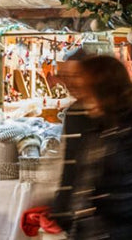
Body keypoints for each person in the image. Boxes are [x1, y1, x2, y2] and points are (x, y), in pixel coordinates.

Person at [74, 55, 132, 240]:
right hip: (96, 231)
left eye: (87, 90)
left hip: (125, 231)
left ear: (102, 89)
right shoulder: (99, 125)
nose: (82, 98)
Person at [51, 48, 95, 234]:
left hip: (116, 216)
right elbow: (69, 164)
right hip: (83, 217)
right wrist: (61, 209)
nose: (69, 82)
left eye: (76, 75)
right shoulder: (73, 114)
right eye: (66, 76)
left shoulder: (115, 113)